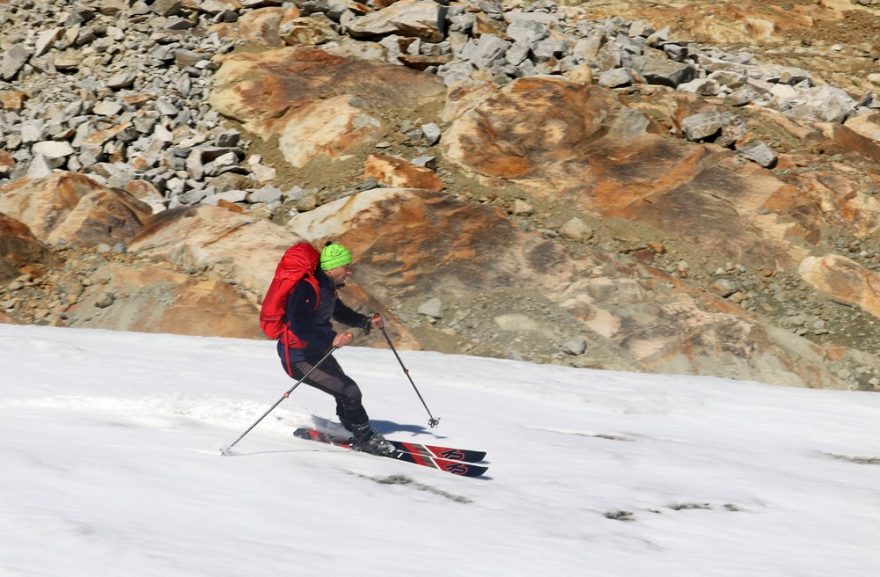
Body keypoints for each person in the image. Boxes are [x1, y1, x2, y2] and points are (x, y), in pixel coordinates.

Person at [277, 242, 393, 455]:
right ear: (330, 268)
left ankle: (350, 427)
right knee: (350, 391)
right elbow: (299, 326)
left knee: (344, 391)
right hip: (297, 357)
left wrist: (366, 322)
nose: (350, 272)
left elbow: (339, 313)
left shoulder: (327, 289)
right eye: (346, 267)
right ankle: (364, 438)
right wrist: (332, 338)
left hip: (315, 351)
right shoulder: (305, 289)